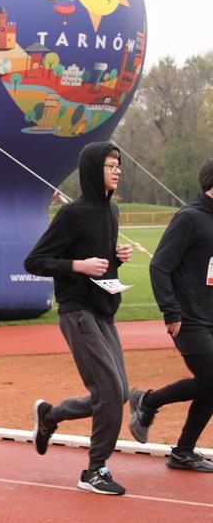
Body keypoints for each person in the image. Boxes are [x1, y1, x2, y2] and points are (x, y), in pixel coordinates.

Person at [24, 142, 133, 496]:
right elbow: (34, 261)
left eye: (118, 165)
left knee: (118, 394)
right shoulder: (72, 213)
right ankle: (95, 470)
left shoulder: (111, 210)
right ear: (91, 170)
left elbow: (100, 259)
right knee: (109, 391)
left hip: (105, 310)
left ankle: (51, 416)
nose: (117, 170)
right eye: (110, 165)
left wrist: (117, 257)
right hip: (77, 311)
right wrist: (77, 265)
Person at [128, 159, 213, 472]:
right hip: (189, 319)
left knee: (211, 385)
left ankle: (182, 452)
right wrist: (171, 311)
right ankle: (147, 402)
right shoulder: (189, 218)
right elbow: (159, 266)